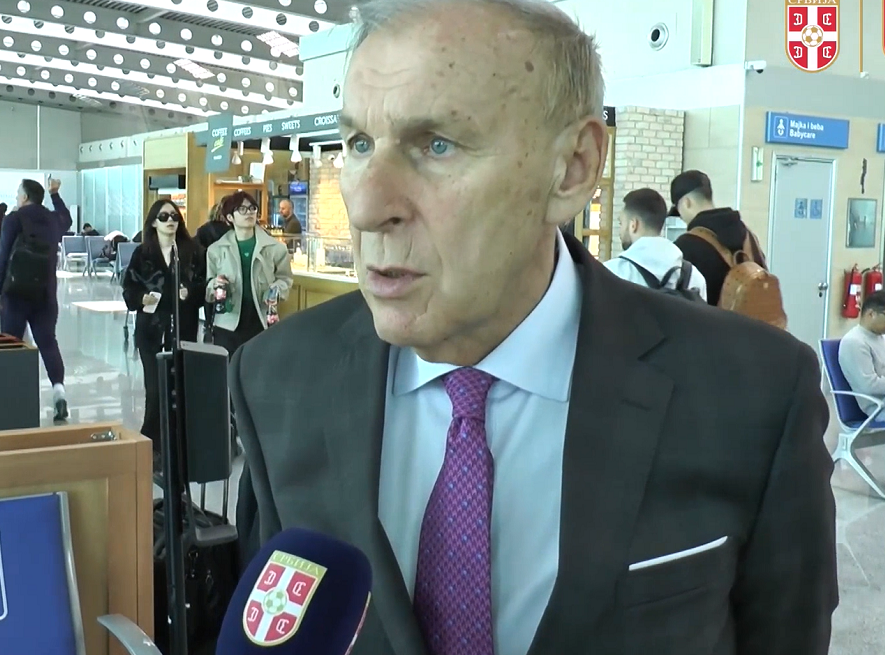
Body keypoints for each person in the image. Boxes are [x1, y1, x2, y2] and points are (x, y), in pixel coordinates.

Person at [230, 1, 837, 654]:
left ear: (573, 167)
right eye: (357, 144)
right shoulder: (279, 380)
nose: (367, 205)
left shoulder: (751, 394)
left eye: (436, 145)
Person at [122, 200, 204, 468]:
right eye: (164, 216)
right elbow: (129, 287)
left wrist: (190, 293)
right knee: (156, 389)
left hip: (182, 329)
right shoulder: (143, 253)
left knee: (179, 387)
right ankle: (152, 444)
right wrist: (140, 299)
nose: (170, 221)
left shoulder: (191, 252)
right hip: (152, 332)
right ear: (154, 222)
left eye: (174, 216)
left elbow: (204, 287)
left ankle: (178, 445)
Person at [0, 178, 72, 421]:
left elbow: (3, 257)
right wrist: (55, 194)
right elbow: (67, 219)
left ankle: (12, 397)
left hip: (15, 294)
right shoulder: (52, 219)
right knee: (48, 343)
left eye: (18, 193)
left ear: (24, 197)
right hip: (45, 294)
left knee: (11, 344)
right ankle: (59, 393)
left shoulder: (14, 219)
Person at [205, 191, 292, 358]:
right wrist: (215, 285)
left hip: (262, 320)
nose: (249, 213)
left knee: (258, 367)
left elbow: (285, 279)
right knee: (228, 369)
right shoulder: (216, 250)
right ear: (230, 217)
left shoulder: (275, 248)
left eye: (252, 208)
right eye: (242, 209)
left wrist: (277, 289)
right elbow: (208, 288)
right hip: (227, 324)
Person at [670, 170, 767, 307]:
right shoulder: (748, 235)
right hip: (754, 320)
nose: (681, 217)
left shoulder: (685, 246)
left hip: (710, 321)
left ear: (687, 202)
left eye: (678, 211)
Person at [604, 188, 707, 300]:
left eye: (621, 223)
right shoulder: (694, 277)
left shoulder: (612, 273)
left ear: (633, 225)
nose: (620, 231)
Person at [838, 290, 885, 418]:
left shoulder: (881, 337)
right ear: (871, 314)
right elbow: (869, 386)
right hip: (878, 407)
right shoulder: (854, 342)